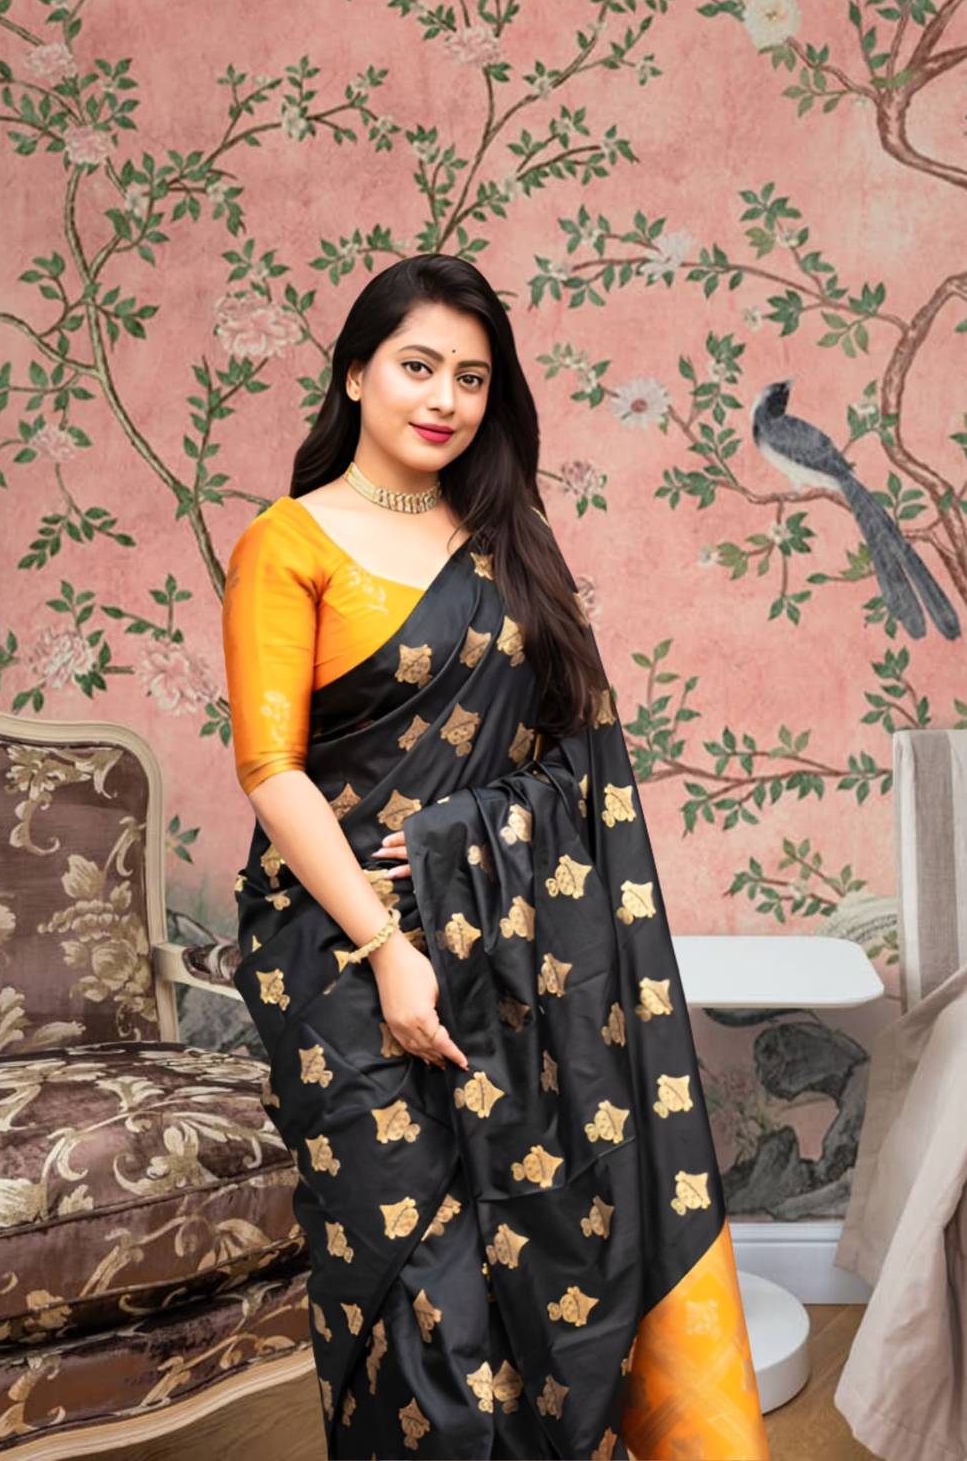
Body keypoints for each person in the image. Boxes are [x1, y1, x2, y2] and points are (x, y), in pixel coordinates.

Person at [221, 252, 769, 1461]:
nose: (445, 397)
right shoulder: (290, 541)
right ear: (356, 372)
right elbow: (273, 772)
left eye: (472, 377)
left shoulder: (508, 544)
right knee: (417, 1286)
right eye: (418, 366)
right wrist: (385, 949)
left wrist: (466, 854)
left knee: (530, 1272)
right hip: (335, 955)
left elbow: (576, 761)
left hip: (512, 949)